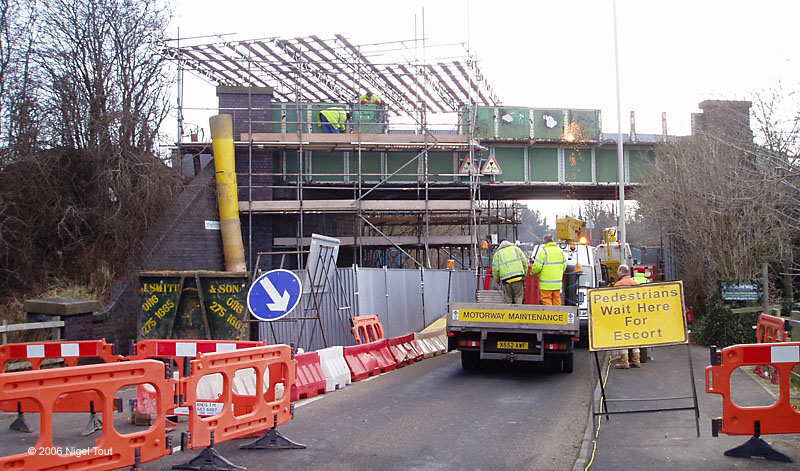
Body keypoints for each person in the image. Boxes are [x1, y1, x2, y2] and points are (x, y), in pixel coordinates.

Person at [613, 264, 641, 368]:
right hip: (635, 314)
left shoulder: (618, 285)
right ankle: (636, 360)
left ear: (620, 271)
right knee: (635, 336)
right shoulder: (635, 284)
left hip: (622, 314)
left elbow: (615, 302)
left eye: (618, 271)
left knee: (623, 337)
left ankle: (625, 362)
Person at [530, 235, 567, 306]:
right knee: (557, 300)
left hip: (545, 284)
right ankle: (557, 315)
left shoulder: (543, 252)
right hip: (557, 283)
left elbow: (537, 267)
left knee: (546, 300)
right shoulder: (560, 251)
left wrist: (532, 272)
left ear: (545, 242)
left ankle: (551, 315)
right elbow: (564, 266)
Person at [492, 240, 529, 304]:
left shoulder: (497, 254)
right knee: (518, 297)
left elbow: (495, 269)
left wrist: (497, 280)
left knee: (508, 299)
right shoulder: (516, 249)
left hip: (506, 280)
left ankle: (509, 313)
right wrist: (525, 273)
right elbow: (525, 262)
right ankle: (518, 312)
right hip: (518, 278)